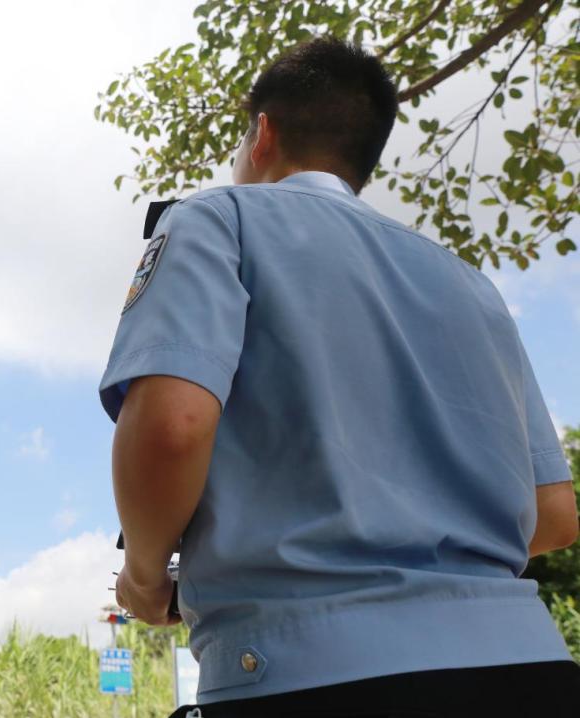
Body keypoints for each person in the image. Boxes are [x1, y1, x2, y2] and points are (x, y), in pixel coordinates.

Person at [100, 37, 580, 717]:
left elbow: (174, 428)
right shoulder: (473, 287)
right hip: (533, 671)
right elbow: (556, 516)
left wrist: (144, 578)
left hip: (308, 674)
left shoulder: (216, 218)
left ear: (261, 135)